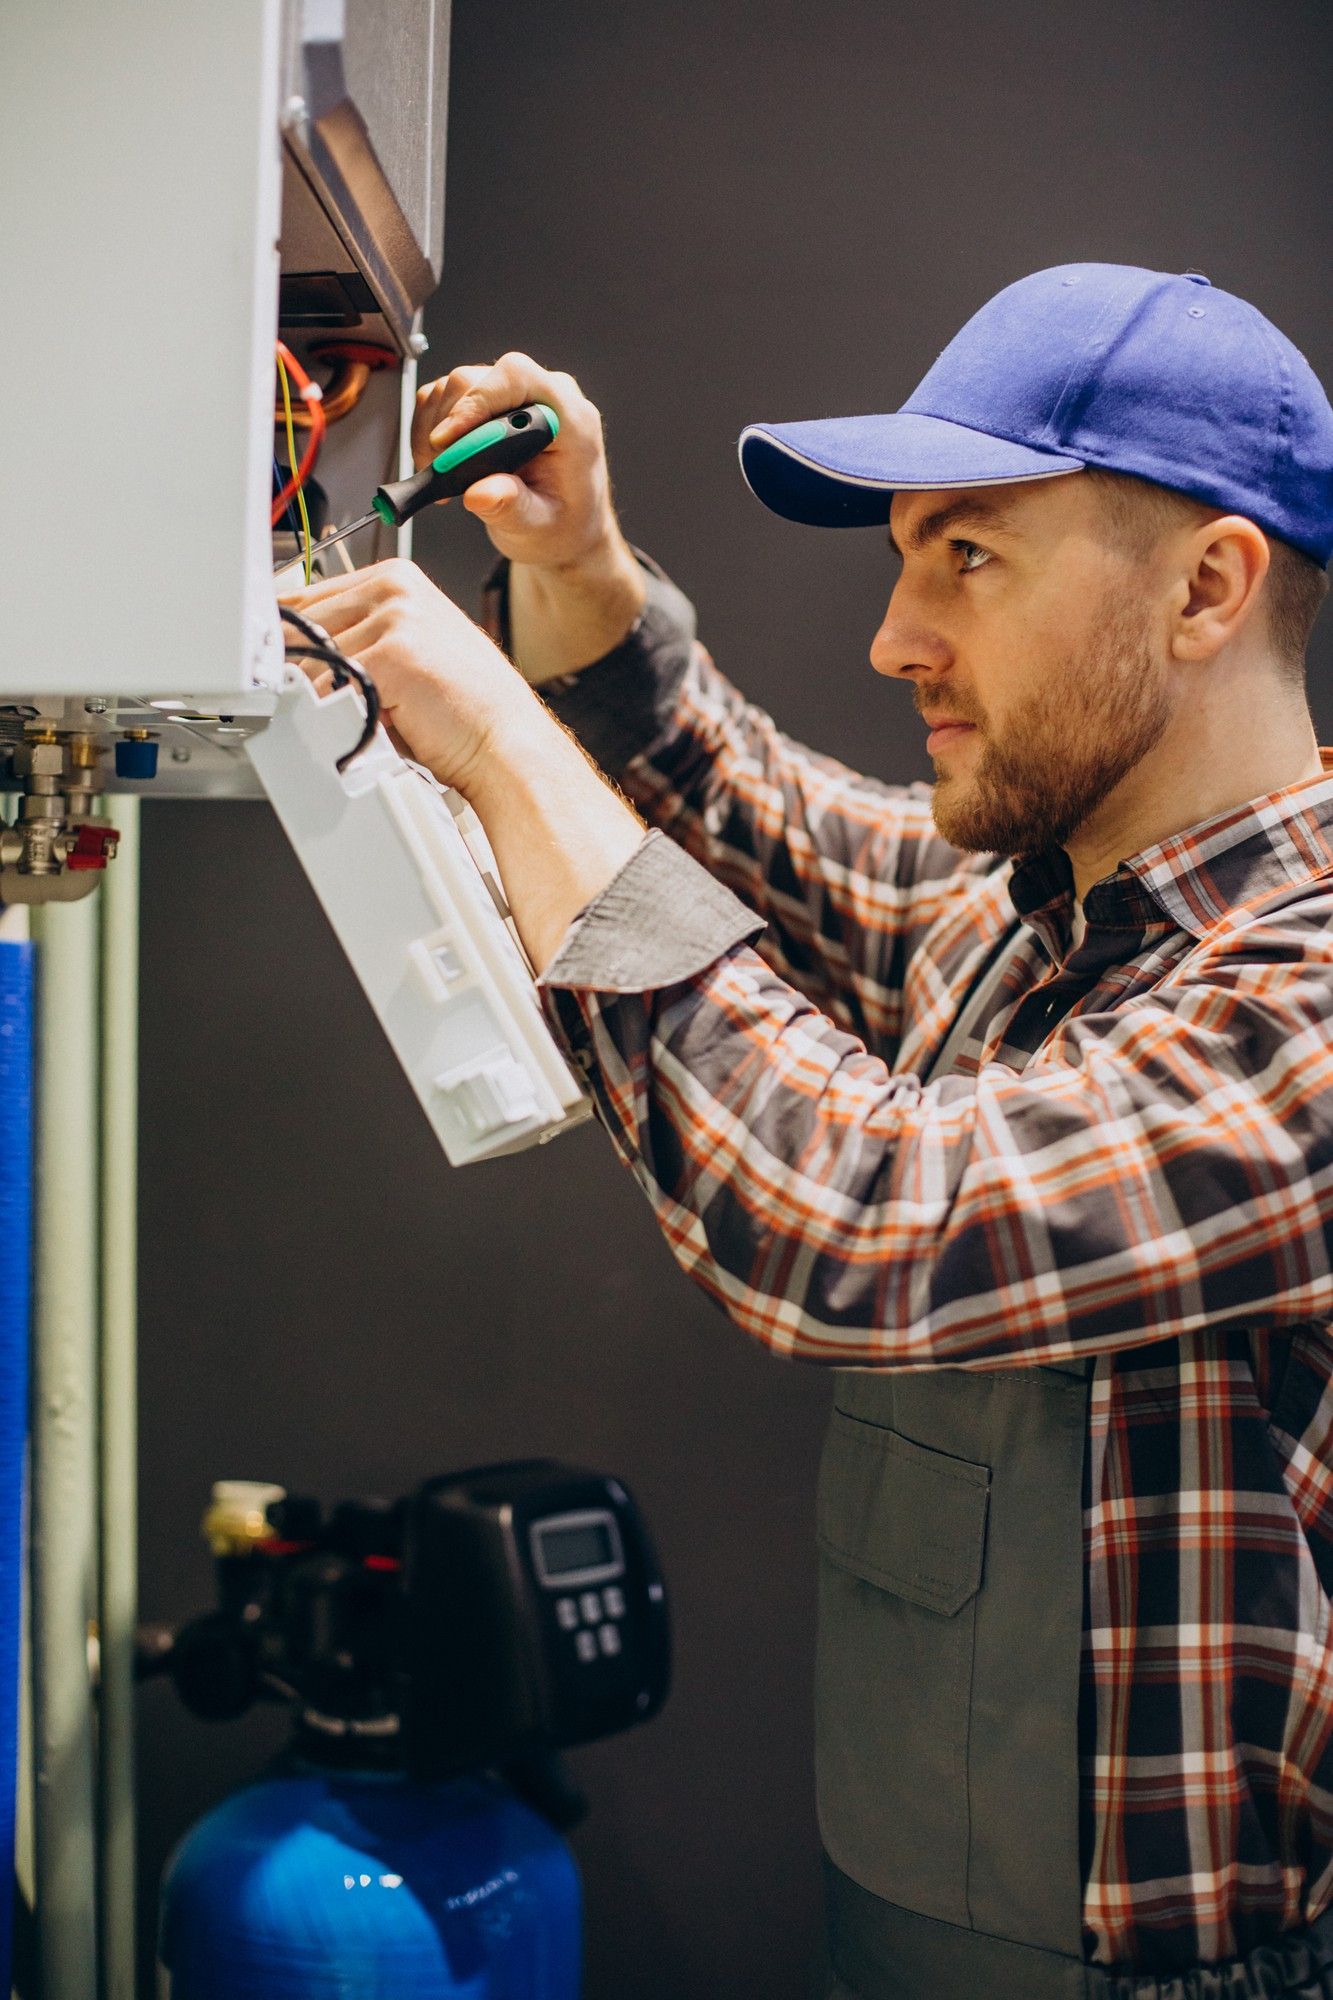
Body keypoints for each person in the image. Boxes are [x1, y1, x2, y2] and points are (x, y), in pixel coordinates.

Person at [282, 264, 1333, 2000]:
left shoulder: (1302, 996)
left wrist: (495, 741)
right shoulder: (1034, 907)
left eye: (966, 556)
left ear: (1206, 586)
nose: (893, 636)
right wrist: (578, 575)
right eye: (905, 557)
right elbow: (767, 819)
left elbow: (863, 1215)